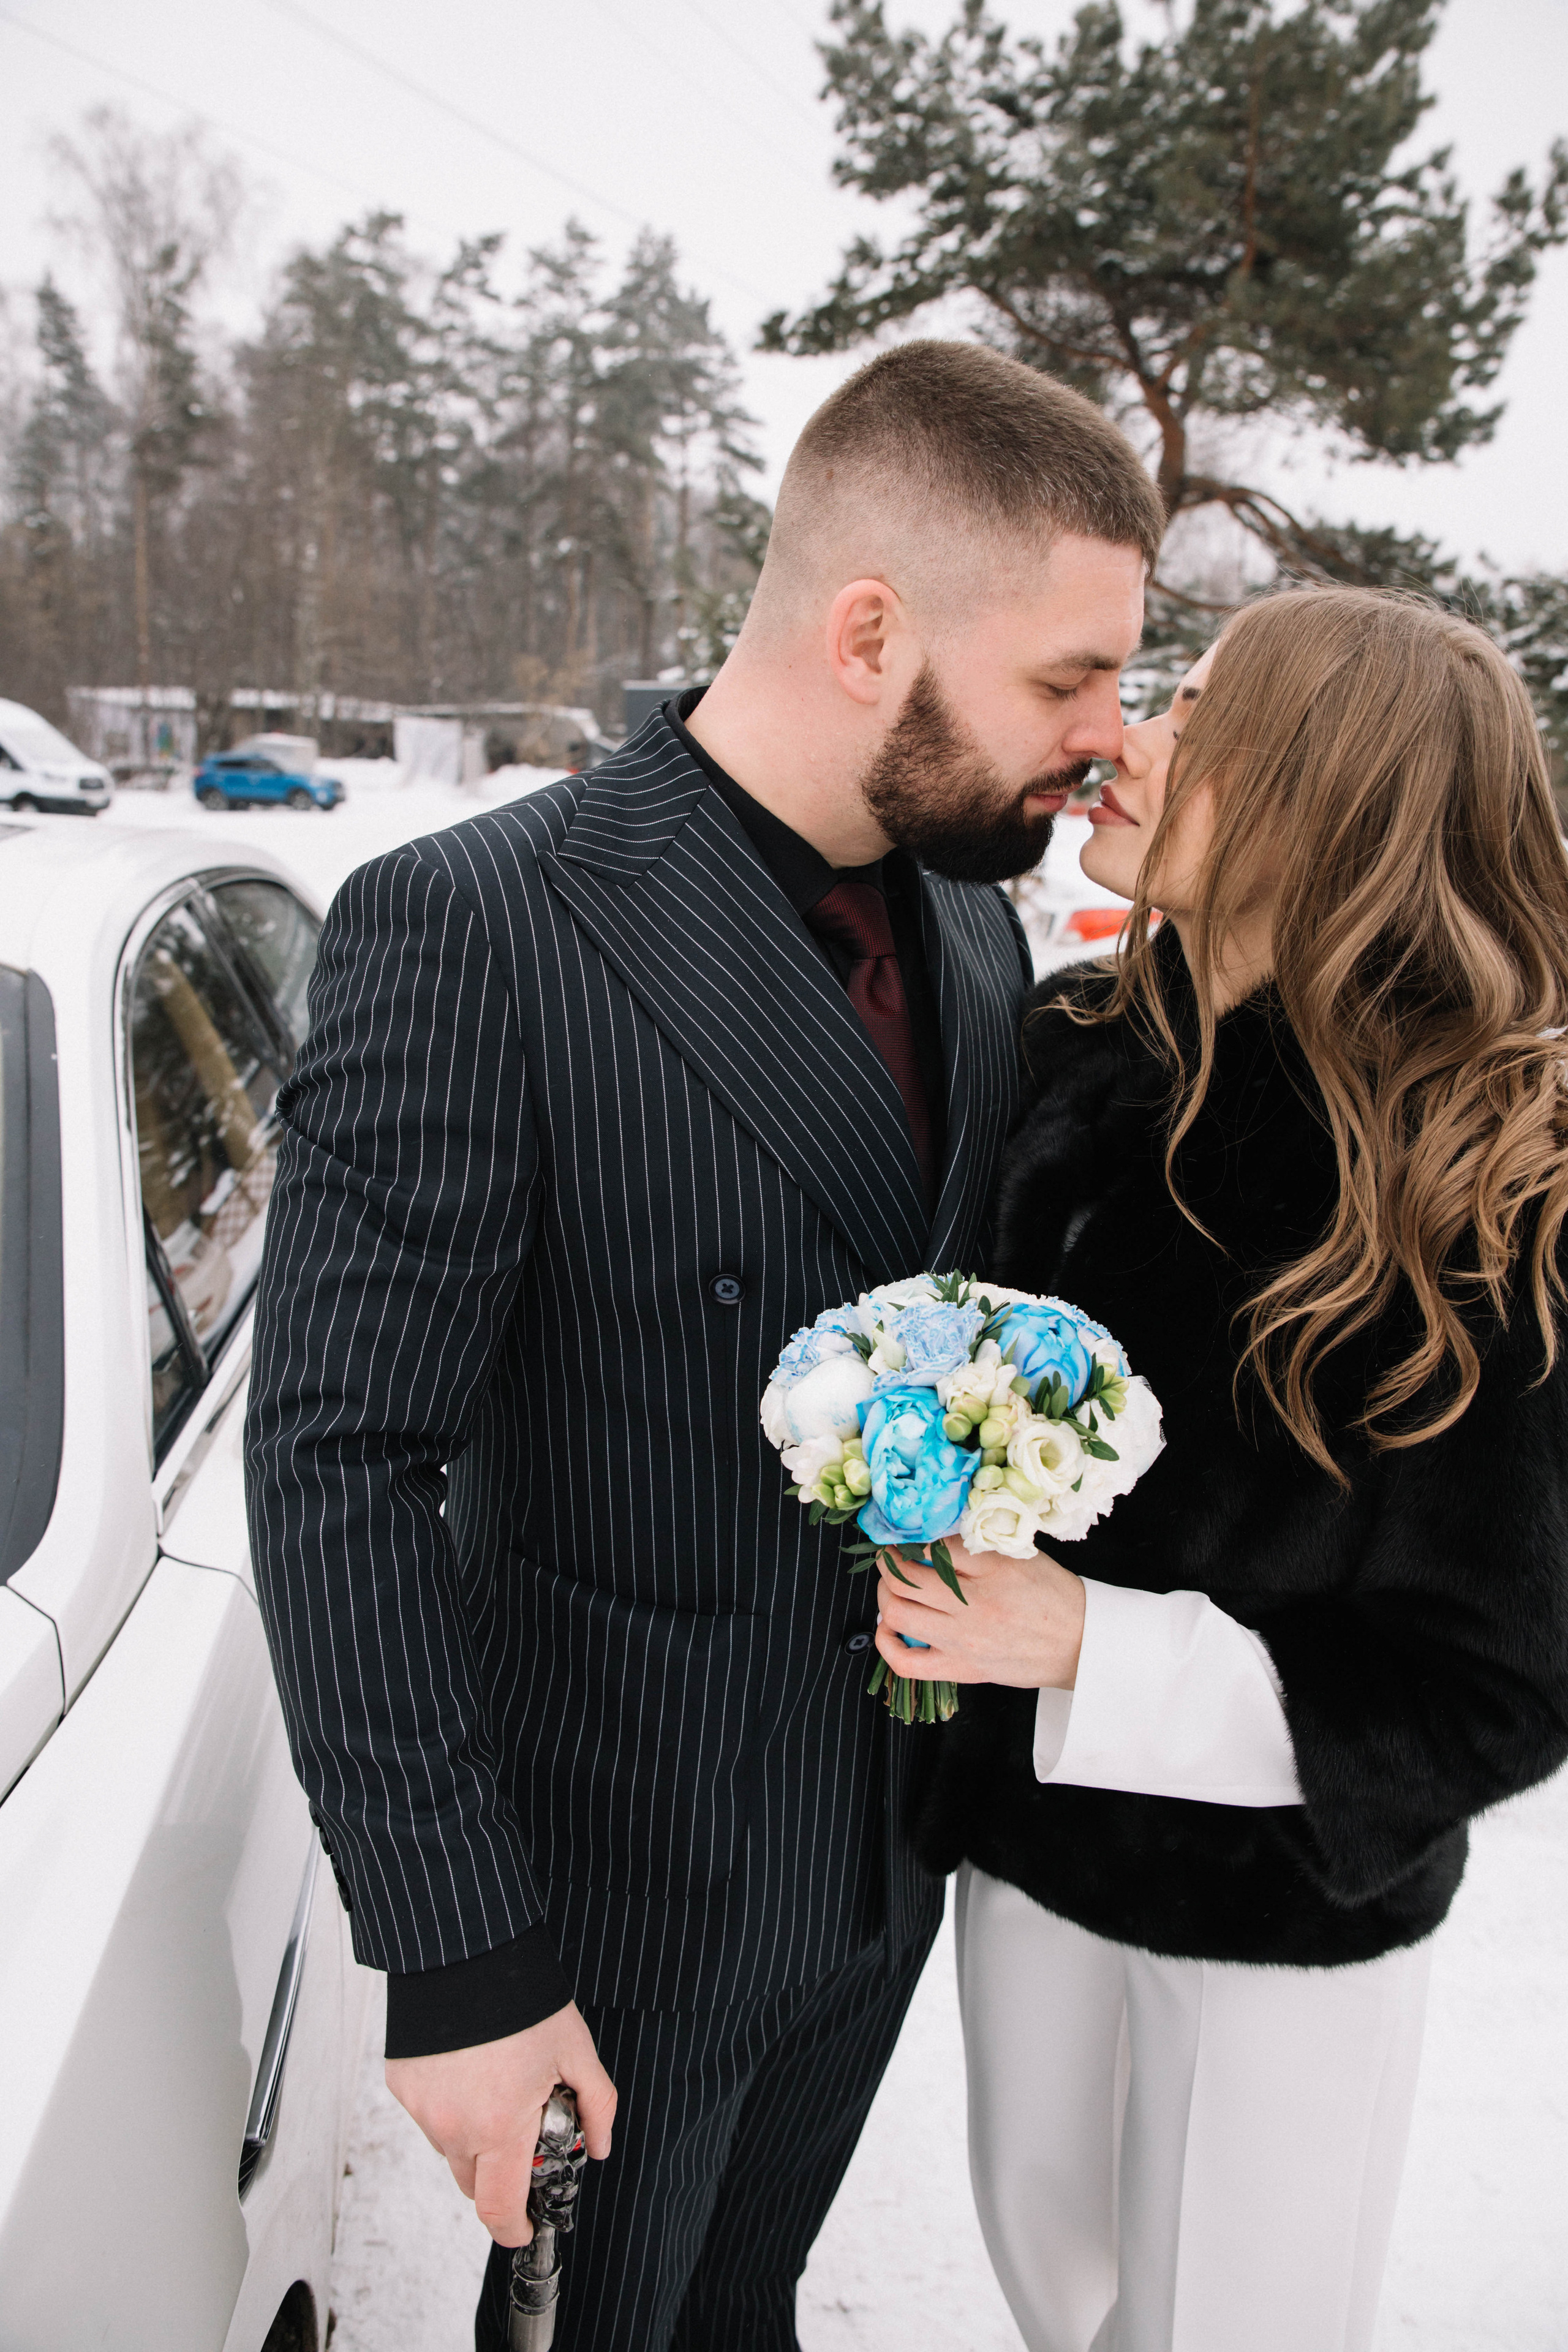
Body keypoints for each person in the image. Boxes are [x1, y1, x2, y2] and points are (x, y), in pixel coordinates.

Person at [243, 338, 1163, 2352]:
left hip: (873, 1860)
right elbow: (338, 1460)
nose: (1110, 742)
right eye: (1069, 680)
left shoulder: (980, 925)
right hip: (609, 1893)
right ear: (869, 631)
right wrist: (461, 1952)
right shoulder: (483, 925)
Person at [873, 586, 1568, 2352]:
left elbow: (1500, 1683)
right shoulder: (1089, 1048)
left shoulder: (1488, 1186)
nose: (1129, 734)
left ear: (1324, 802)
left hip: (1275, 1919)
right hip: (1027, 1857)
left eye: (1199, 716)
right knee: (1057, 2279)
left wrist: (1098, 1651)